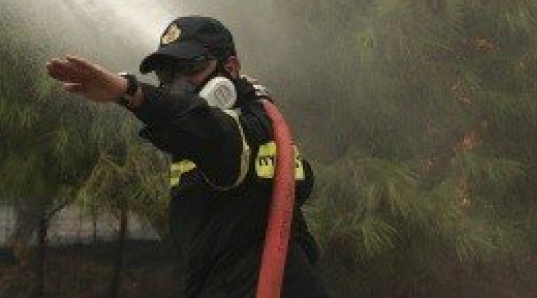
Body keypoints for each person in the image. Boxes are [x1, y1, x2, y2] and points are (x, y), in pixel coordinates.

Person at [46, 16, 330, 297]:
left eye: (191, 68)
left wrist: (130, 92)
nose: (178, 85)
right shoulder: (236, 124)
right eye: (167, 76)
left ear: (230, 68)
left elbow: (210, 132)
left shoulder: (247, 127)